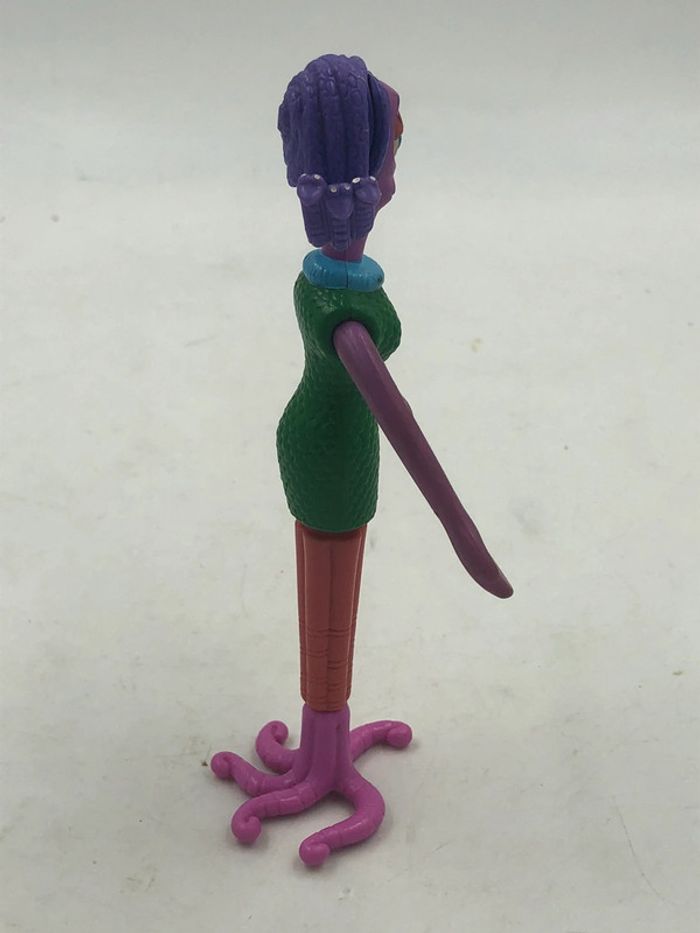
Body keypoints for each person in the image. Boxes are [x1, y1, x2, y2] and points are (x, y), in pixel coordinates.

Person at [211, 54, 512, 867]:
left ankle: (322, 746)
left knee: (327, 592)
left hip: (325, 442)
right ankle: (321, 753)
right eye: (392, 148)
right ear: (369, 175)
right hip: (335, 456)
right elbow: (403, 426)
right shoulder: (345, 313)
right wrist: (466, 537)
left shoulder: (325, 281)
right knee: (329, 599)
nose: (395, 164)